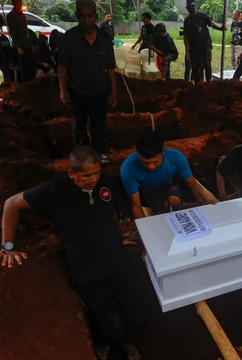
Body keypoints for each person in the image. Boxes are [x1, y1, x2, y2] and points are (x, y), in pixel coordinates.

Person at [0, 146, 145, 360]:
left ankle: (126, 342)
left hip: (119, 263)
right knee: (107, 317)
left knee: (134, 310)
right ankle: (107, 344)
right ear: (71, 173)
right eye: (87, 175)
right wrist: (8, 246)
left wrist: (116, 238)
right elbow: (11, 204)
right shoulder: (56, 191)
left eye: (96, 173)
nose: (94, 179)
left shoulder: (107, 181)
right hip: (89, 273)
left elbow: (109, 213)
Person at [58, 0, 117, 164]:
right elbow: (62, 66)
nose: (86, 20)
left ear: (95, 16)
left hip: (99, 90)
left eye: (90, 16)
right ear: (77, 16)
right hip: (77, 90)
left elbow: (110, 67)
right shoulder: (69, 38)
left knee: (99, 124)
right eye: (82, 16)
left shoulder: (105, 38)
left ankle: (97, 154)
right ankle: (82, 158)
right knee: (79, 125)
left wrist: (113, 91)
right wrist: (62, 90)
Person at [120, 130, 216, 219]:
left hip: (166, 186)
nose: (151, 167)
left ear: (163, 151)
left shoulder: (176, 158)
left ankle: (163, 212)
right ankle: (156, 211)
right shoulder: (128, 169)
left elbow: (192, 184)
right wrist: (143, 228)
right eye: (145, 162)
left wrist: (204, 200)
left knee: (174, 201)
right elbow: (135, 204)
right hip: (144, 193)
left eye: (155, 162)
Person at [183, 0, 226, 84]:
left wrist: (220, 28)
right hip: (194, 47)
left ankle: (208, 82)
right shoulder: (187, 21)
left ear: (196, 6)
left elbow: (211, 23)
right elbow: (186, 36)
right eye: (189, 6)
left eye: (193, 6)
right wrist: (187, 49)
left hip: (205, 45)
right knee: (196, 66)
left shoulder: (202, 16)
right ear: (186, 8)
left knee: (207, 64)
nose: (191, 8)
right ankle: (198, 83)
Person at [6, 0, 35, 82]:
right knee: (23, 65)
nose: (20, 5)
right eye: (18, 3)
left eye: (20, 3)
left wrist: (31, 44)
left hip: (27, 43)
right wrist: (18, 46)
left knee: (30, 64)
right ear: (14, 4)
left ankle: (30, 81)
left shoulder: (22, 14)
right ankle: (25, 83)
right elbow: (13, 32)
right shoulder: (11, 16)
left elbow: (26, 30)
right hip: (20, 44)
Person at [0, 15, 15, 82]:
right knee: (7, 73)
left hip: (3, 60)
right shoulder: (3, 38)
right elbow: (7, 49)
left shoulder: (3, 37)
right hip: (3, 60)